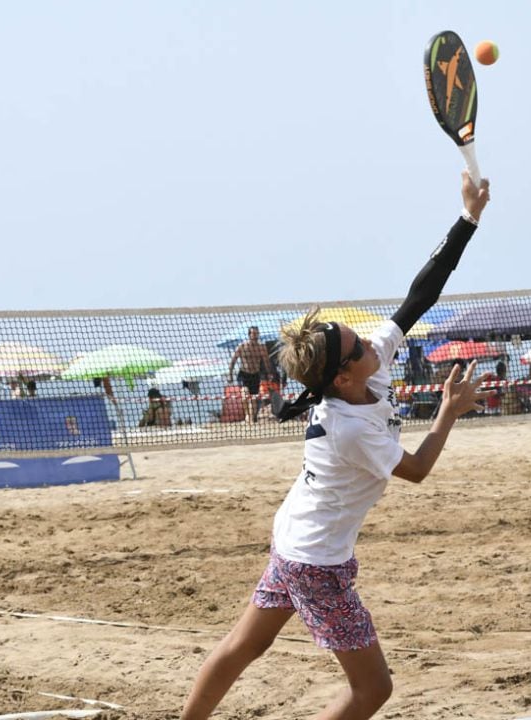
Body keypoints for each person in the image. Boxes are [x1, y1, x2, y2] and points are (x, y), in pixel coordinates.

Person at [179, 171, 490, 720]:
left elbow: (423, 292)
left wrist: (468, 218)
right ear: (341, 377)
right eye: (355, 345)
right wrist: (447, 413)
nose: (369, 341)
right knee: (373, 691)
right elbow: (415, 470)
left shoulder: (366, 367)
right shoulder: (349, 425)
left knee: (247, 645)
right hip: (316, 562)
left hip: (298, 536)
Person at [228, 326, 275, 424]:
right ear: (249, 335)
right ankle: (247, 415)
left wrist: (270, 373)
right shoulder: (242, 346)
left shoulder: (261, 348)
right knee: (245, 395)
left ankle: (252, 418)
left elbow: (266, 361)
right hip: (244, 374)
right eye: (253, 333)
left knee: (253, 398)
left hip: (255, 375)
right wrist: (230, 374)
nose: (255, 335)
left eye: (257, 333)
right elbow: (233, 361)